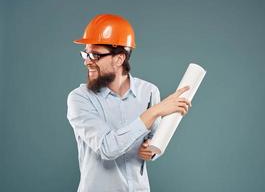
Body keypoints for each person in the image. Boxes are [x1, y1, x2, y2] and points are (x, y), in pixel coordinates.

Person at [67, 14, 191, 192]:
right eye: (86, 53)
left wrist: (151, 151)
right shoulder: (80, 98)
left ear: (119, 59)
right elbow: (107, 148)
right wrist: (154, 112)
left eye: (94, 55)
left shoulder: (149, 92)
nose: (87, 61)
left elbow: (153, 143)